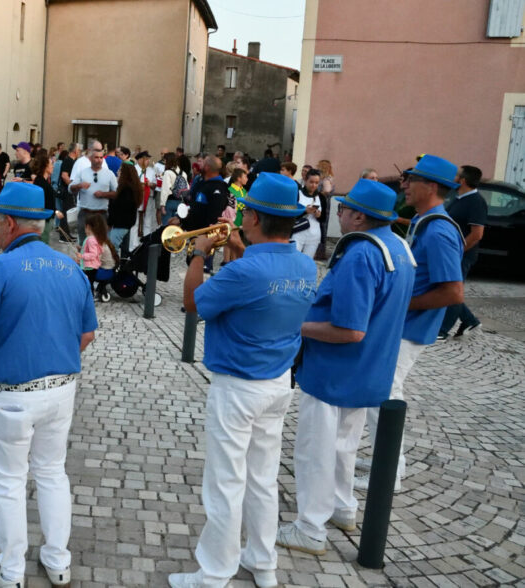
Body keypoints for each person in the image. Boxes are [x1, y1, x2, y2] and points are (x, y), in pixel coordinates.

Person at [169, 173, 316, 588]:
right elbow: (254, 295)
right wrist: (236, 250)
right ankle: (263, 564)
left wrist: (199, 255)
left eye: (245, 211)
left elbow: (193, 303)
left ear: (252, 217)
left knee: (225, 482)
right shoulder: (305, 265)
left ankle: (214, 573)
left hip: (237, 387)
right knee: (263, 478)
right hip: (277, 384)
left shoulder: (245, 270)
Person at [0, 182, 97, 588]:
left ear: (11, 223)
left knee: (8, 480)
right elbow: (87, 336)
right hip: (62, 389)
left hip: (12, 395)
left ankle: (12, 571)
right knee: (53, 473)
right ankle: (57, 563)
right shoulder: (71, 266)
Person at [276, 180, 415, 556]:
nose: (338, 214)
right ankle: (342, 506)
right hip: (371, 369)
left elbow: (350, 329)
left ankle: (310, 527)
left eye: (342, 209)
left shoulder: (360, 254)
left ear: (358, 215)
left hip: (335, 370)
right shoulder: (399, 246)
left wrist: (294, 325)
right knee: (344, 445)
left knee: (315, 449)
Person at [356, 154, 463, 492]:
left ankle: (390, 471)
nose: (404, 184)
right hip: (403, 324)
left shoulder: (439, 230)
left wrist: (400, 305)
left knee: (384, 392)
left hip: (410, 326)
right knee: (379, 390)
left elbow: (453, 293)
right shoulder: (425, 221)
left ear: (431, 187)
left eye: (411, 180)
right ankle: (383, 458)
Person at [437, 165, 486, 340]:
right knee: (447, 287)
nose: (453, 178)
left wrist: (458, 252)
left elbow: (477, 234)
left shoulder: (476, 202)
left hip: (463, 255)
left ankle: (443, 330)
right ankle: (469, 320)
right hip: (452, 253)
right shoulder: (458, 198)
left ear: (462, 180)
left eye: (456, 175)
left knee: (452, 289)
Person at [69, 144, 116, 245]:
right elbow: (70, 188)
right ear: (90, 159)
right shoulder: (83, 173)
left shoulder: (109, 174)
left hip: (101, 214)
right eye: (96, 157)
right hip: (85, 213)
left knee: (101, 244)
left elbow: (117, 193)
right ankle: (83, 260)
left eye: (101, 157)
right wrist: (79, 186)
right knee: (83, 243)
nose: (99, 160)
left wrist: (103, 194)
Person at [80, 212, 118, 302]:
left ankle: (90, 293)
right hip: (109, 269)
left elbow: (94, 258)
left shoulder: (94, 241)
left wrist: (82, 257)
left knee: (86, 272)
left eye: (85, 227)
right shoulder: (100, 239)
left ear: (88, 227)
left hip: (105, 271)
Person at [108, 162, 141, 255]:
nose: (117, 172)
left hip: (120, 224)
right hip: (127, 223)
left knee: (112, 249)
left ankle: (113, 268)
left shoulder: (125, 190)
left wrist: (109, 223)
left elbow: (117, 208)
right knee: (124, 250)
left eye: (120, 170)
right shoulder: (132, 188)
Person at [292, 170, 323, 258]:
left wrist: (318, 215)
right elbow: (291, 214)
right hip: (298, 232)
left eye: (316, 183)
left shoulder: (320, 197)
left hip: (314, 234)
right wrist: (304, 211)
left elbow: (324, 218)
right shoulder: (298, 194)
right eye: (311, 182)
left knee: (307, 261)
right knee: (294, 259)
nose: (314, 185)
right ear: (306, 180)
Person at [29, 153, 59, 244]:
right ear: (45, 167)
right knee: (43, 243)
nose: (53, 166)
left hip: (47, 218)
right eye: (51, 164)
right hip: (44, 220)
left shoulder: (43, 181)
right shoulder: (41, 182)